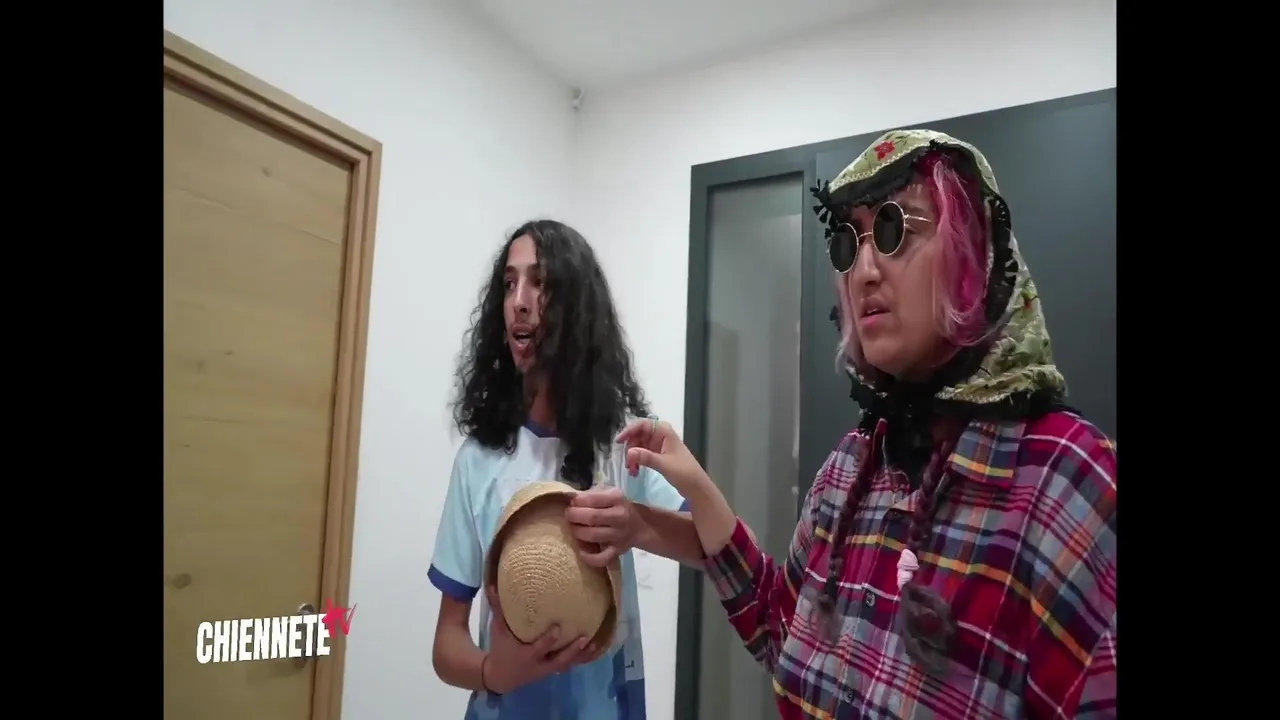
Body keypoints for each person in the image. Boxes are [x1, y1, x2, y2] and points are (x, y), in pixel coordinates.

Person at [587, 130, 1118, 719]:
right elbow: (780, 628)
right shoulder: (851, 467)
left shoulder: (1065, 479)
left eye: (894, 229)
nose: (864, 271)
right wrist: (683, 495)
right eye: (848, 242)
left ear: (971, 253)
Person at [428, 219, 694, 720]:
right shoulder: (479, 459)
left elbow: (718, 547)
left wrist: (636, 524)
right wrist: (493, 671)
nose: (519, 301)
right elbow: (446, 642)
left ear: (576, 308)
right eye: (510, 283)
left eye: (539, 282)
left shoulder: (622, 444)